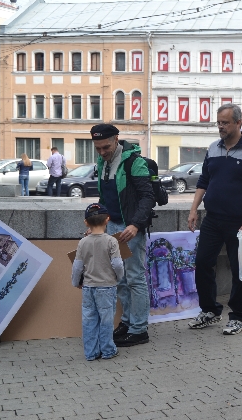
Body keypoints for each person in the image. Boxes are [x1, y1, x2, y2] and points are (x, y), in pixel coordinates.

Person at [187, 103, 242, 335]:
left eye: (225, 123)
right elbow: (204, 181)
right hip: (212, 219)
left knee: (239, 270)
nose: (221, 127)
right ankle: (210, 310)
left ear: (238, 123)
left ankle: (237, 316)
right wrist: (194, 209)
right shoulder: (213, 148)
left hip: (239, 221)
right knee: (203, 262)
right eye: (219, 123)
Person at [90, 124, 155, 347]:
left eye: (105, 147)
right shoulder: (102, 162)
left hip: (130, 228)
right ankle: (127, 322)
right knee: (121, 278)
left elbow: (147, 197)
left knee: (136, 277)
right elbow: (105, 198)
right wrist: (96, 223)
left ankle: (139, 329)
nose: (102, 152)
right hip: (112, 227)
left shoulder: (133, 162)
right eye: (97, 148)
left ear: (116, 139)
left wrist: (136, 225)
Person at [71, 203, 125, 361]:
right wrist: (119, 278)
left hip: (88, 287)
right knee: (106, 320)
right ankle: (108, 350)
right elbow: (118, 264)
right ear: (107, 220)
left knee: (89, 319)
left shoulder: (83, 242)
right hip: (107, 287)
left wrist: (76, 282)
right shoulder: (111, 241)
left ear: (86, 222)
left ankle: (91, 352)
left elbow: (77, 266)